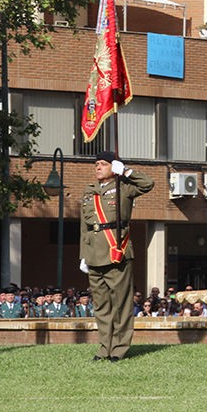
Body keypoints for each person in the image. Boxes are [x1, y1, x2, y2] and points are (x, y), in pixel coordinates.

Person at [80, 150, 155, 362]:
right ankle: (104, 348)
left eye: (103, 164)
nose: (98, 167)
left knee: (120, 304)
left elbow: (148, 184)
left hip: (116, 253)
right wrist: (83, 255)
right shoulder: (89, 190)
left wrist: (127, 172)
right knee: (102, 306)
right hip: (94, 254)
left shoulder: (124, 188)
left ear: (113, 167)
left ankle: (119, 349)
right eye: (96, 164)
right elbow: (84, 227)